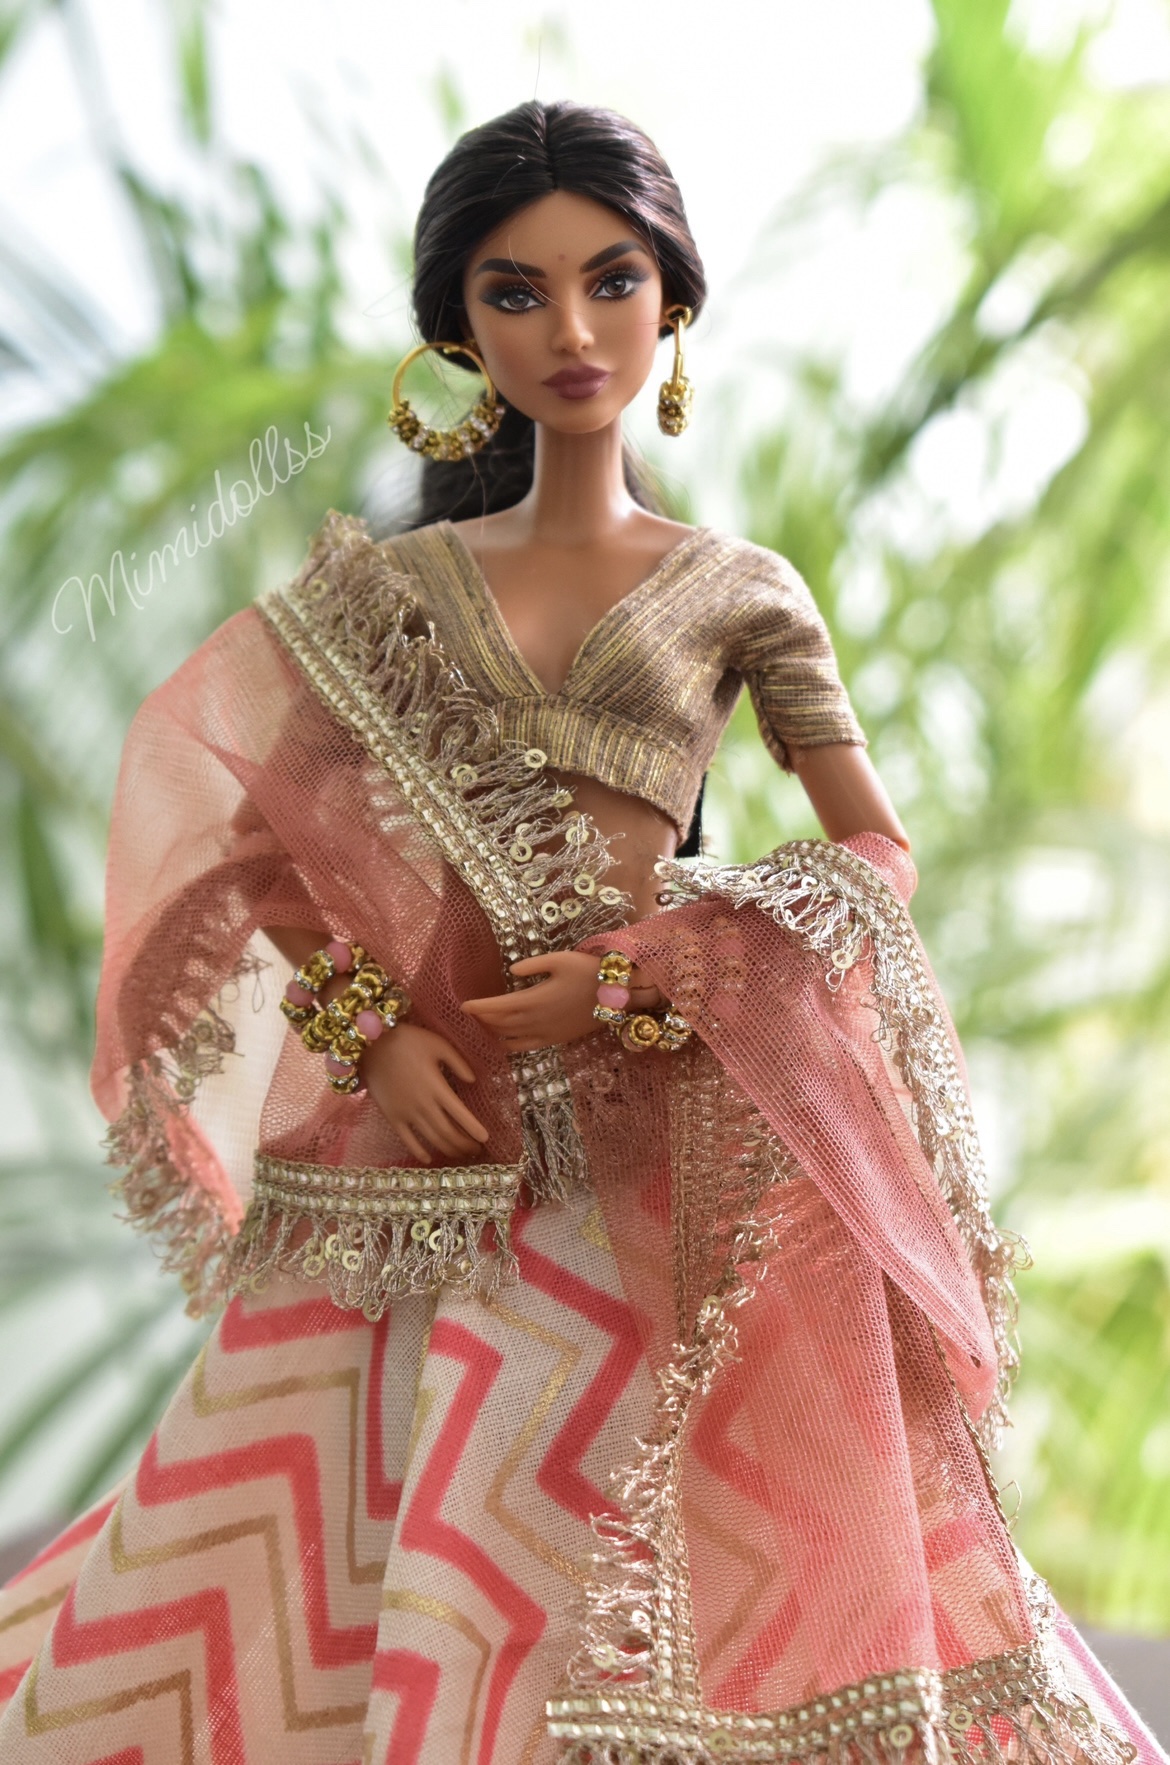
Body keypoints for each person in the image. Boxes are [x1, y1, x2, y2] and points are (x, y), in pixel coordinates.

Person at [0, 100, 1162, 1765]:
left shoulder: (739, 590)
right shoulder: (393, 591)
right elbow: (259, 858)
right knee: (313, 1527)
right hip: (426, 1150)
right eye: (515, 291)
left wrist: (648, 971)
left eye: (611, 282)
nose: (570, 329)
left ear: (671, 301)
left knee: (651, 1522)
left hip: (649, 1133)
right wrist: (373, 1037)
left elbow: (873, 852)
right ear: (454, 331)